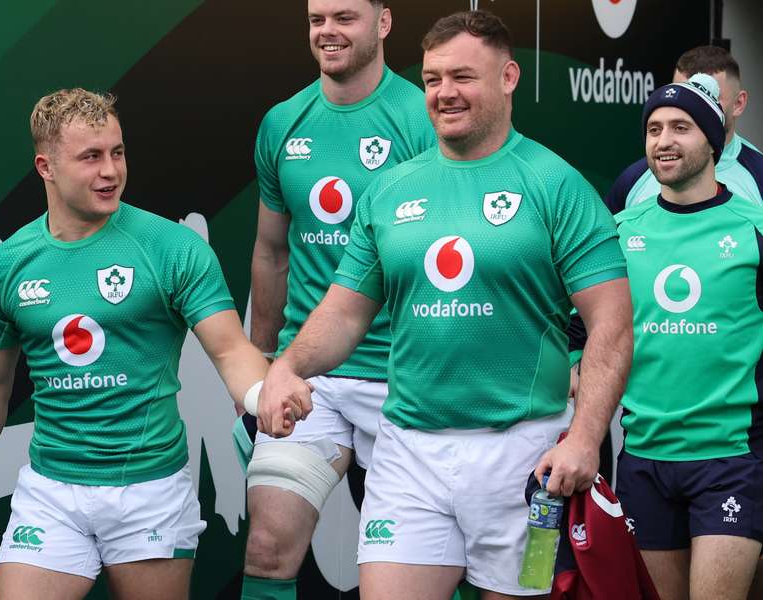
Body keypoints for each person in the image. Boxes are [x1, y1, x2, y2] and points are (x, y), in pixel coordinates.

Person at [256, 10, 633, 599]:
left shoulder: (556, 184)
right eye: (433, 79)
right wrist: (287, 365)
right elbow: (345, 312)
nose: (444, 94)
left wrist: (585, 437)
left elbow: (610, 323)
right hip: (408, 451)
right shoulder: (390, 190)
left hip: (526, 460)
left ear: (508, 77)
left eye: (463, 77)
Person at [0, 88, 298, 600]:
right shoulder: (5, 265)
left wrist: (265, 398)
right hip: (51, 490)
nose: (111, 171)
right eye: (91, 157)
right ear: (46, 167)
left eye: (117, 152)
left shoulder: (171, 249)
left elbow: (229, 349)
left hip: (149, 490)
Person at [238, 0, 435, 597]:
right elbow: (272, 253)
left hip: (403, 381)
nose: (328, 31)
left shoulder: (421, 117)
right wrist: (261, 370)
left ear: (383, 21)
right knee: (267, 549)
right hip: (312, 380)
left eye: (344, 17)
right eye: (317, 19)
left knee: (421, 565)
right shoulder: (283, 122)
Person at [613, 73, 763, 600]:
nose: (664, 140)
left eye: (681, 127)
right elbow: (583, 328)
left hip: (731, 457)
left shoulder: (755, 224)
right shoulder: (621, 230)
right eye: (654, 129)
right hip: (645, 456)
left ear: (713, 141)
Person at [606, 45, 763, 213]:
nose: (687, 106)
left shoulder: (758, 174)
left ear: (739, 103)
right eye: (682, 93)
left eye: (710, 97)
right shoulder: (633, 179)